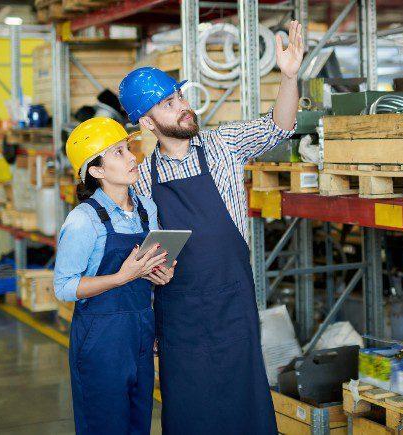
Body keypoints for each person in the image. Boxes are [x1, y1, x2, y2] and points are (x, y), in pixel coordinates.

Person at [117, 20, 304, 434]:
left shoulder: (223, 146)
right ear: (147, 124)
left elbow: (280, 125)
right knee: (189, 414)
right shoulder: (141, 179)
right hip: (178, 315)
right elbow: (133, 253)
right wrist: (148, 273)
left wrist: (289, 78)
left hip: (233, 306)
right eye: (168, 103)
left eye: (180, 95)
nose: (183, 105)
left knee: (246, 408)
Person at [53, 117, 176, 434]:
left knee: (139, 424)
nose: (132, 157)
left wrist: (164, 271)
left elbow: (156, 264)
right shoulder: (84, 220)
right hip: (101, 339)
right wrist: (121, 277)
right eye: (119, 152)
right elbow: (64, 287)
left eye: (128, 148)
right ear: (97, 170)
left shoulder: (147, 209)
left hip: (141, 331)